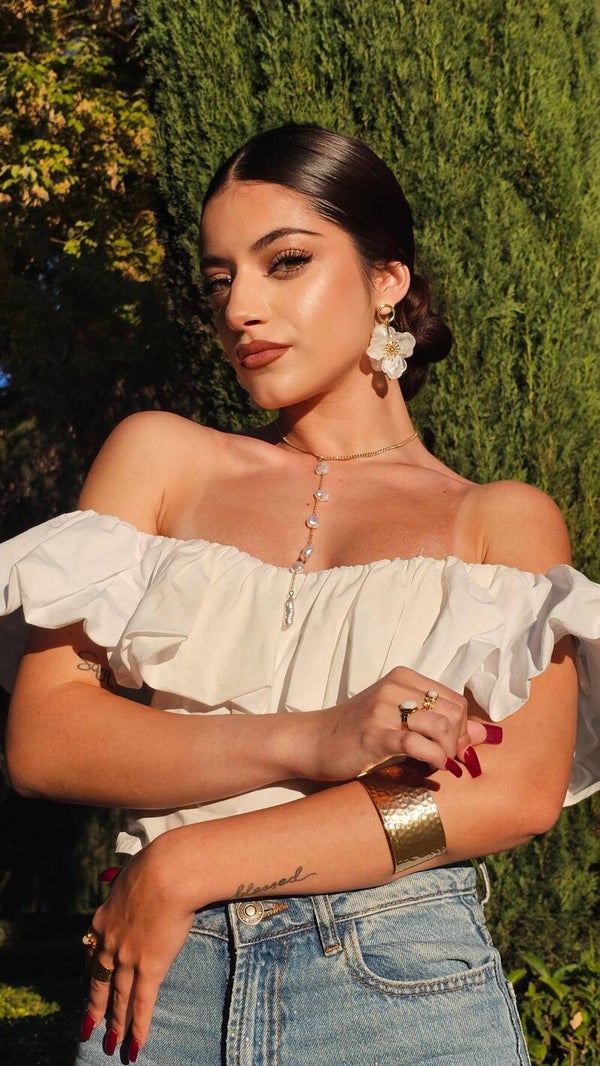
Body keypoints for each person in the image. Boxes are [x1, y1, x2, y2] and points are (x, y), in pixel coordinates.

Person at [2, 124, 599, 1066]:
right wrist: (315, 739)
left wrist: (193, 860)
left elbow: (508, 794)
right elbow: (48, 739)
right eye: (219, 279)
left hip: (400, 980)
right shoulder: (159, 460)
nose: (241, 306)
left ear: (386, 281)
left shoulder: (498, 521)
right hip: (160, 993)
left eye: (285, 262)